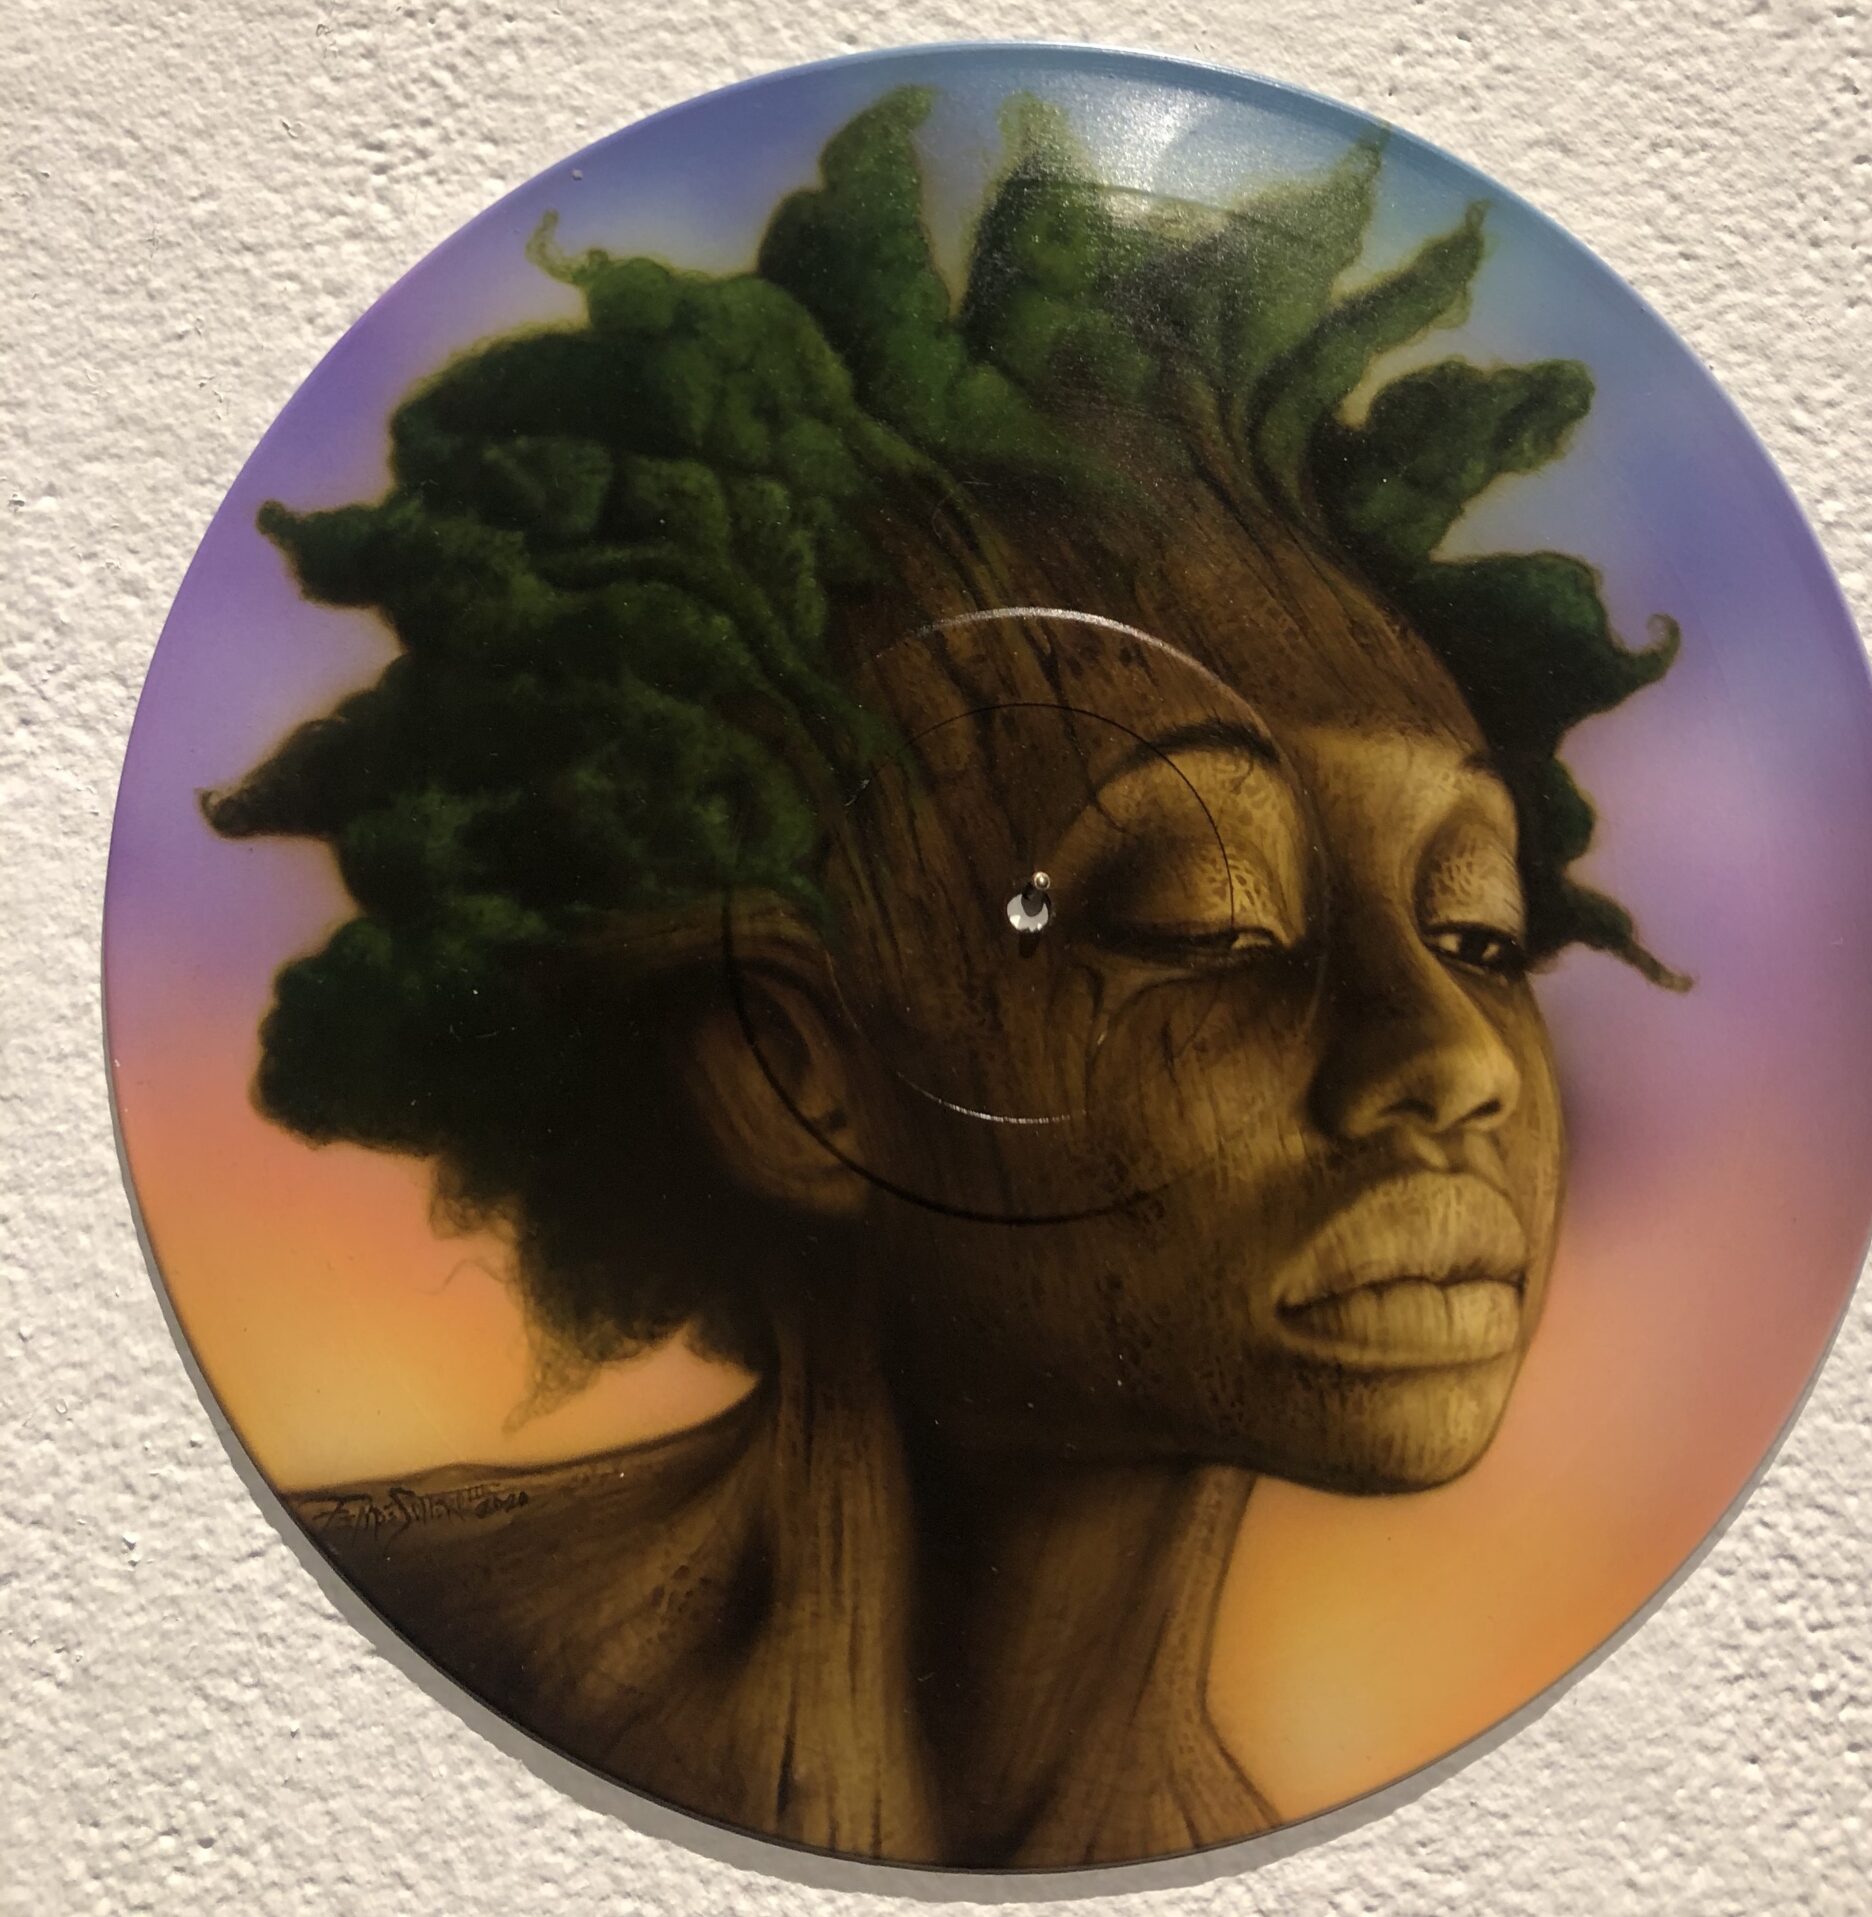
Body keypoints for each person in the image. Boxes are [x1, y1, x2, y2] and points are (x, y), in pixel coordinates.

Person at [210, 89, 1684, 1867]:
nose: (1455, 1055)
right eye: (1208, 924)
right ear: (793, 1070)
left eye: (1480, 931)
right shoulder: (320, 1679)